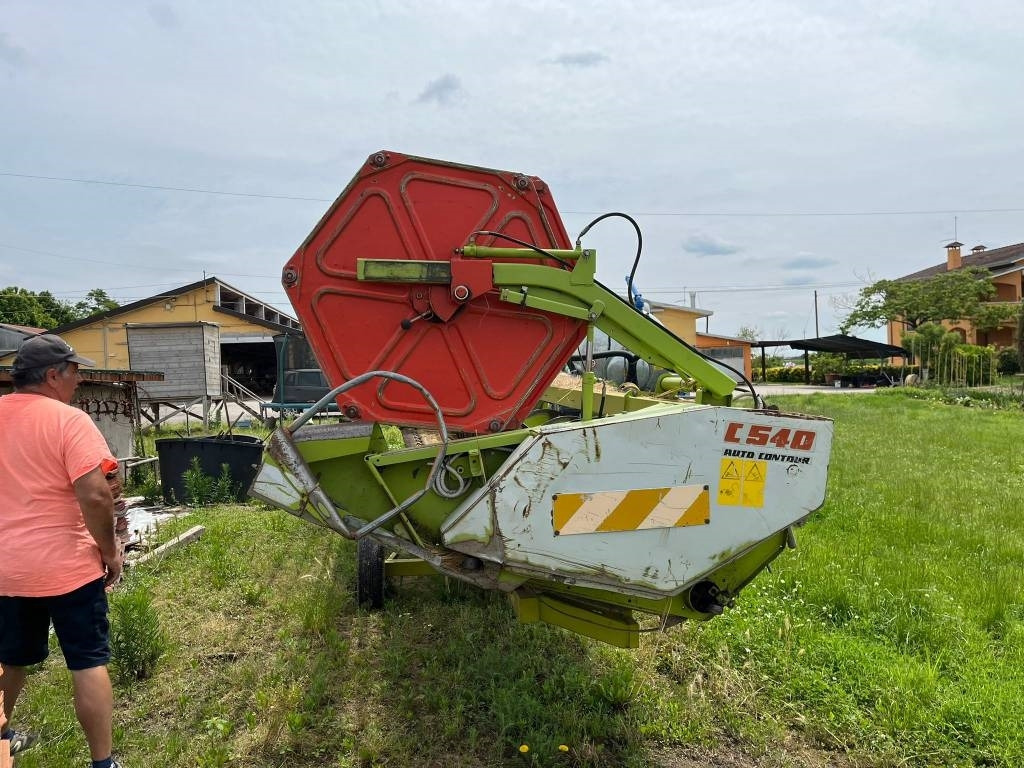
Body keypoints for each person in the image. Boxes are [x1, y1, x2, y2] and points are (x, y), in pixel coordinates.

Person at [0, 334, 124, 768]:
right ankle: (103, 763)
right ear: (53, 375)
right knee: (87, 662)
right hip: (67, 568)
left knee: (8, 658)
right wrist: (110, 550)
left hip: (6, 570)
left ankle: (1, 738)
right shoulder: (69, 421)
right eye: (74, 371)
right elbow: (96, 495)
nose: (79, 379)